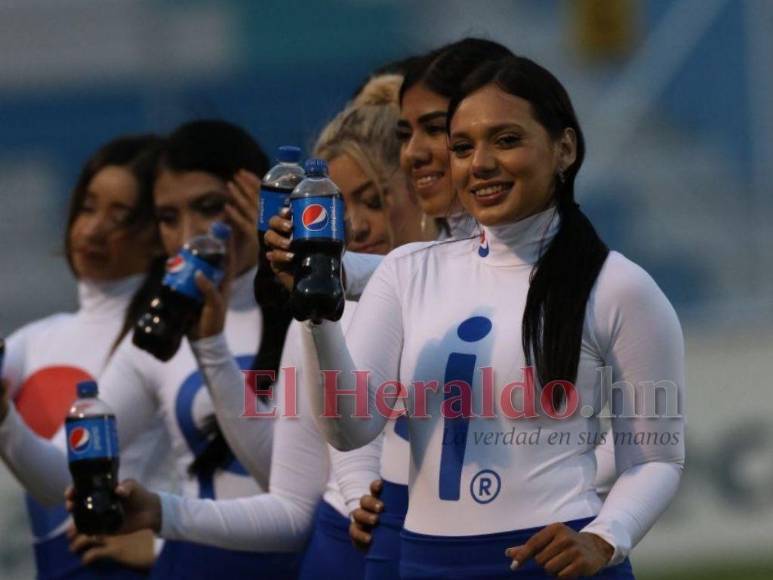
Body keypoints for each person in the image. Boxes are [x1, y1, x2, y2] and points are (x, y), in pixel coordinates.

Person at [299, 54, 685, 579]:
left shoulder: (619, 285)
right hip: (423, 563)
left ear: (565, 148)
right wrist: (317, 317)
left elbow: (657, 459)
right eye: (462, 147)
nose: (479, 164)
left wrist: (604, 537)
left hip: (554, 565)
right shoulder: (406, 271)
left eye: (505, 140)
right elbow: (349, 429)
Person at [88, 73, 438, 580]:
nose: (354, 225)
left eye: (374, 199)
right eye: (336, 207)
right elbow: (295, 496)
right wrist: (163, 513)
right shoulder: (315, 313)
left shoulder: (454, 295)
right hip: (340, 557)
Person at [0, 120, 306, 579]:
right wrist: (5, 419)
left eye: (209, 207)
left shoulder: (314, 313)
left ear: (255, 200)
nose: (189, 234)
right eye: (167, 218)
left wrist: (161, 532)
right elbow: (66, 475)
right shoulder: (159, 339)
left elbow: (295, 493)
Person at [0, 134, 173, 579]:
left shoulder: (159, 344)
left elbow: (63, 481)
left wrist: (162, 545)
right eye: (87, 207)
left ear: (160, 234)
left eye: (120, 217)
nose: (93, 229)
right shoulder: (33, 339)